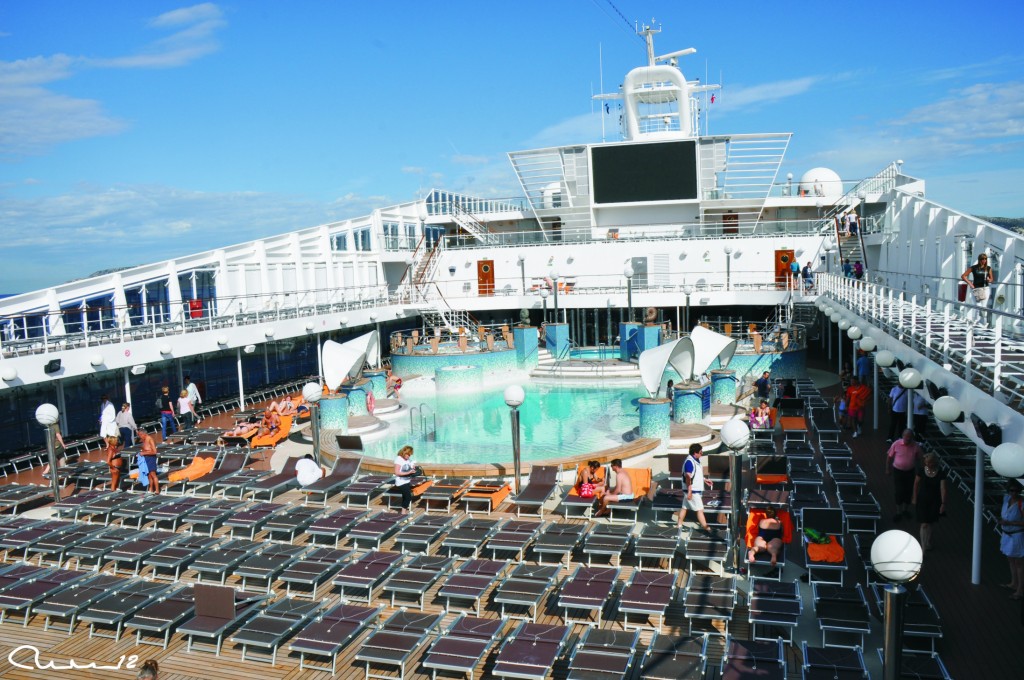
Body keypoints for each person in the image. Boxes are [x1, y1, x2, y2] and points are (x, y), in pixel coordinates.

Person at [913, 453, 947, 551]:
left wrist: (943, 503)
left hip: (935, 501)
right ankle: (923, 548)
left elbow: (943, 488)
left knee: (930, 522)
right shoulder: (921, 471)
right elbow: (916, 484)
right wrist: (914, 497)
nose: (928, 464)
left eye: (930, 462)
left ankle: (927, 541)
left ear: (934, 462)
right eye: (926, 462)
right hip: (922, 500)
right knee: (924, 524)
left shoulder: (941, 473)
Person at [887, 429, 923, 521]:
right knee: (899, 491)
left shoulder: (916, 446)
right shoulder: (896, 444)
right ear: (902, 436)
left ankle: (905, 510)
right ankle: (898, 512)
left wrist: (921, 471)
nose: (908, 439)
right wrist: (887, 469)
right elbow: (889, 456)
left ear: (912, 438)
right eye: (906, 437)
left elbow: (920, 458)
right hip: (898, 471)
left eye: (910, 437)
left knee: (908, 491)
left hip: (910, 471)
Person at [677, 444, 712, 531]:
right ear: (695, 453)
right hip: (693, 491)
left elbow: (695, 474)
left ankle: (679, 525)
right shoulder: (689, 462)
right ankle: (706, 528)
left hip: (691, 490)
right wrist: (690, 491)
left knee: (684, 508)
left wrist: (704, 479)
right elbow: (688, 477)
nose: (702, 453)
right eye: (700, 452)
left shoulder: (695, 460)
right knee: (700, 510)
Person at [999, 480, 1024, 600]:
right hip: (1007, 534)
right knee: (1010, 560)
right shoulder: (1006, 499)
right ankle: (1014, 583)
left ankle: (1020, 590)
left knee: (1019, 563)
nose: (1014, 493)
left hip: (1017, 535)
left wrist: (1010, 523)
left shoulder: (1022, 504)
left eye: (1016, 491)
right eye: (1011, 490)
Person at [392, 445, 419, 514]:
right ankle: (403, 513)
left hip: (406, 481)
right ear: (404, 453)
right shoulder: (399, 459)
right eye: (408, 454)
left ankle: (403, 512)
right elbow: (397, 472)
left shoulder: (407, 459)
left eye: (410, 455)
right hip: (401, 482)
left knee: (405, 497)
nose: (409, 456)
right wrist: (409, 472)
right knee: (408, 497)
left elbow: (410, 465)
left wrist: (412, 467)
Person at [136, 428, 160, 493]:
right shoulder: (144, 439)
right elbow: (146, 449)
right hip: (146, 458)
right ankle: (151, 489)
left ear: (143, 434)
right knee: (148, 475)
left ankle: (157, 490)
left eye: (139, 435)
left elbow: (154, 452)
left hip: (151, 458)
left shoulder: (150, 439)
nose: (139, 437)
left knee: (153, 474)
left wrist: (144, 453)